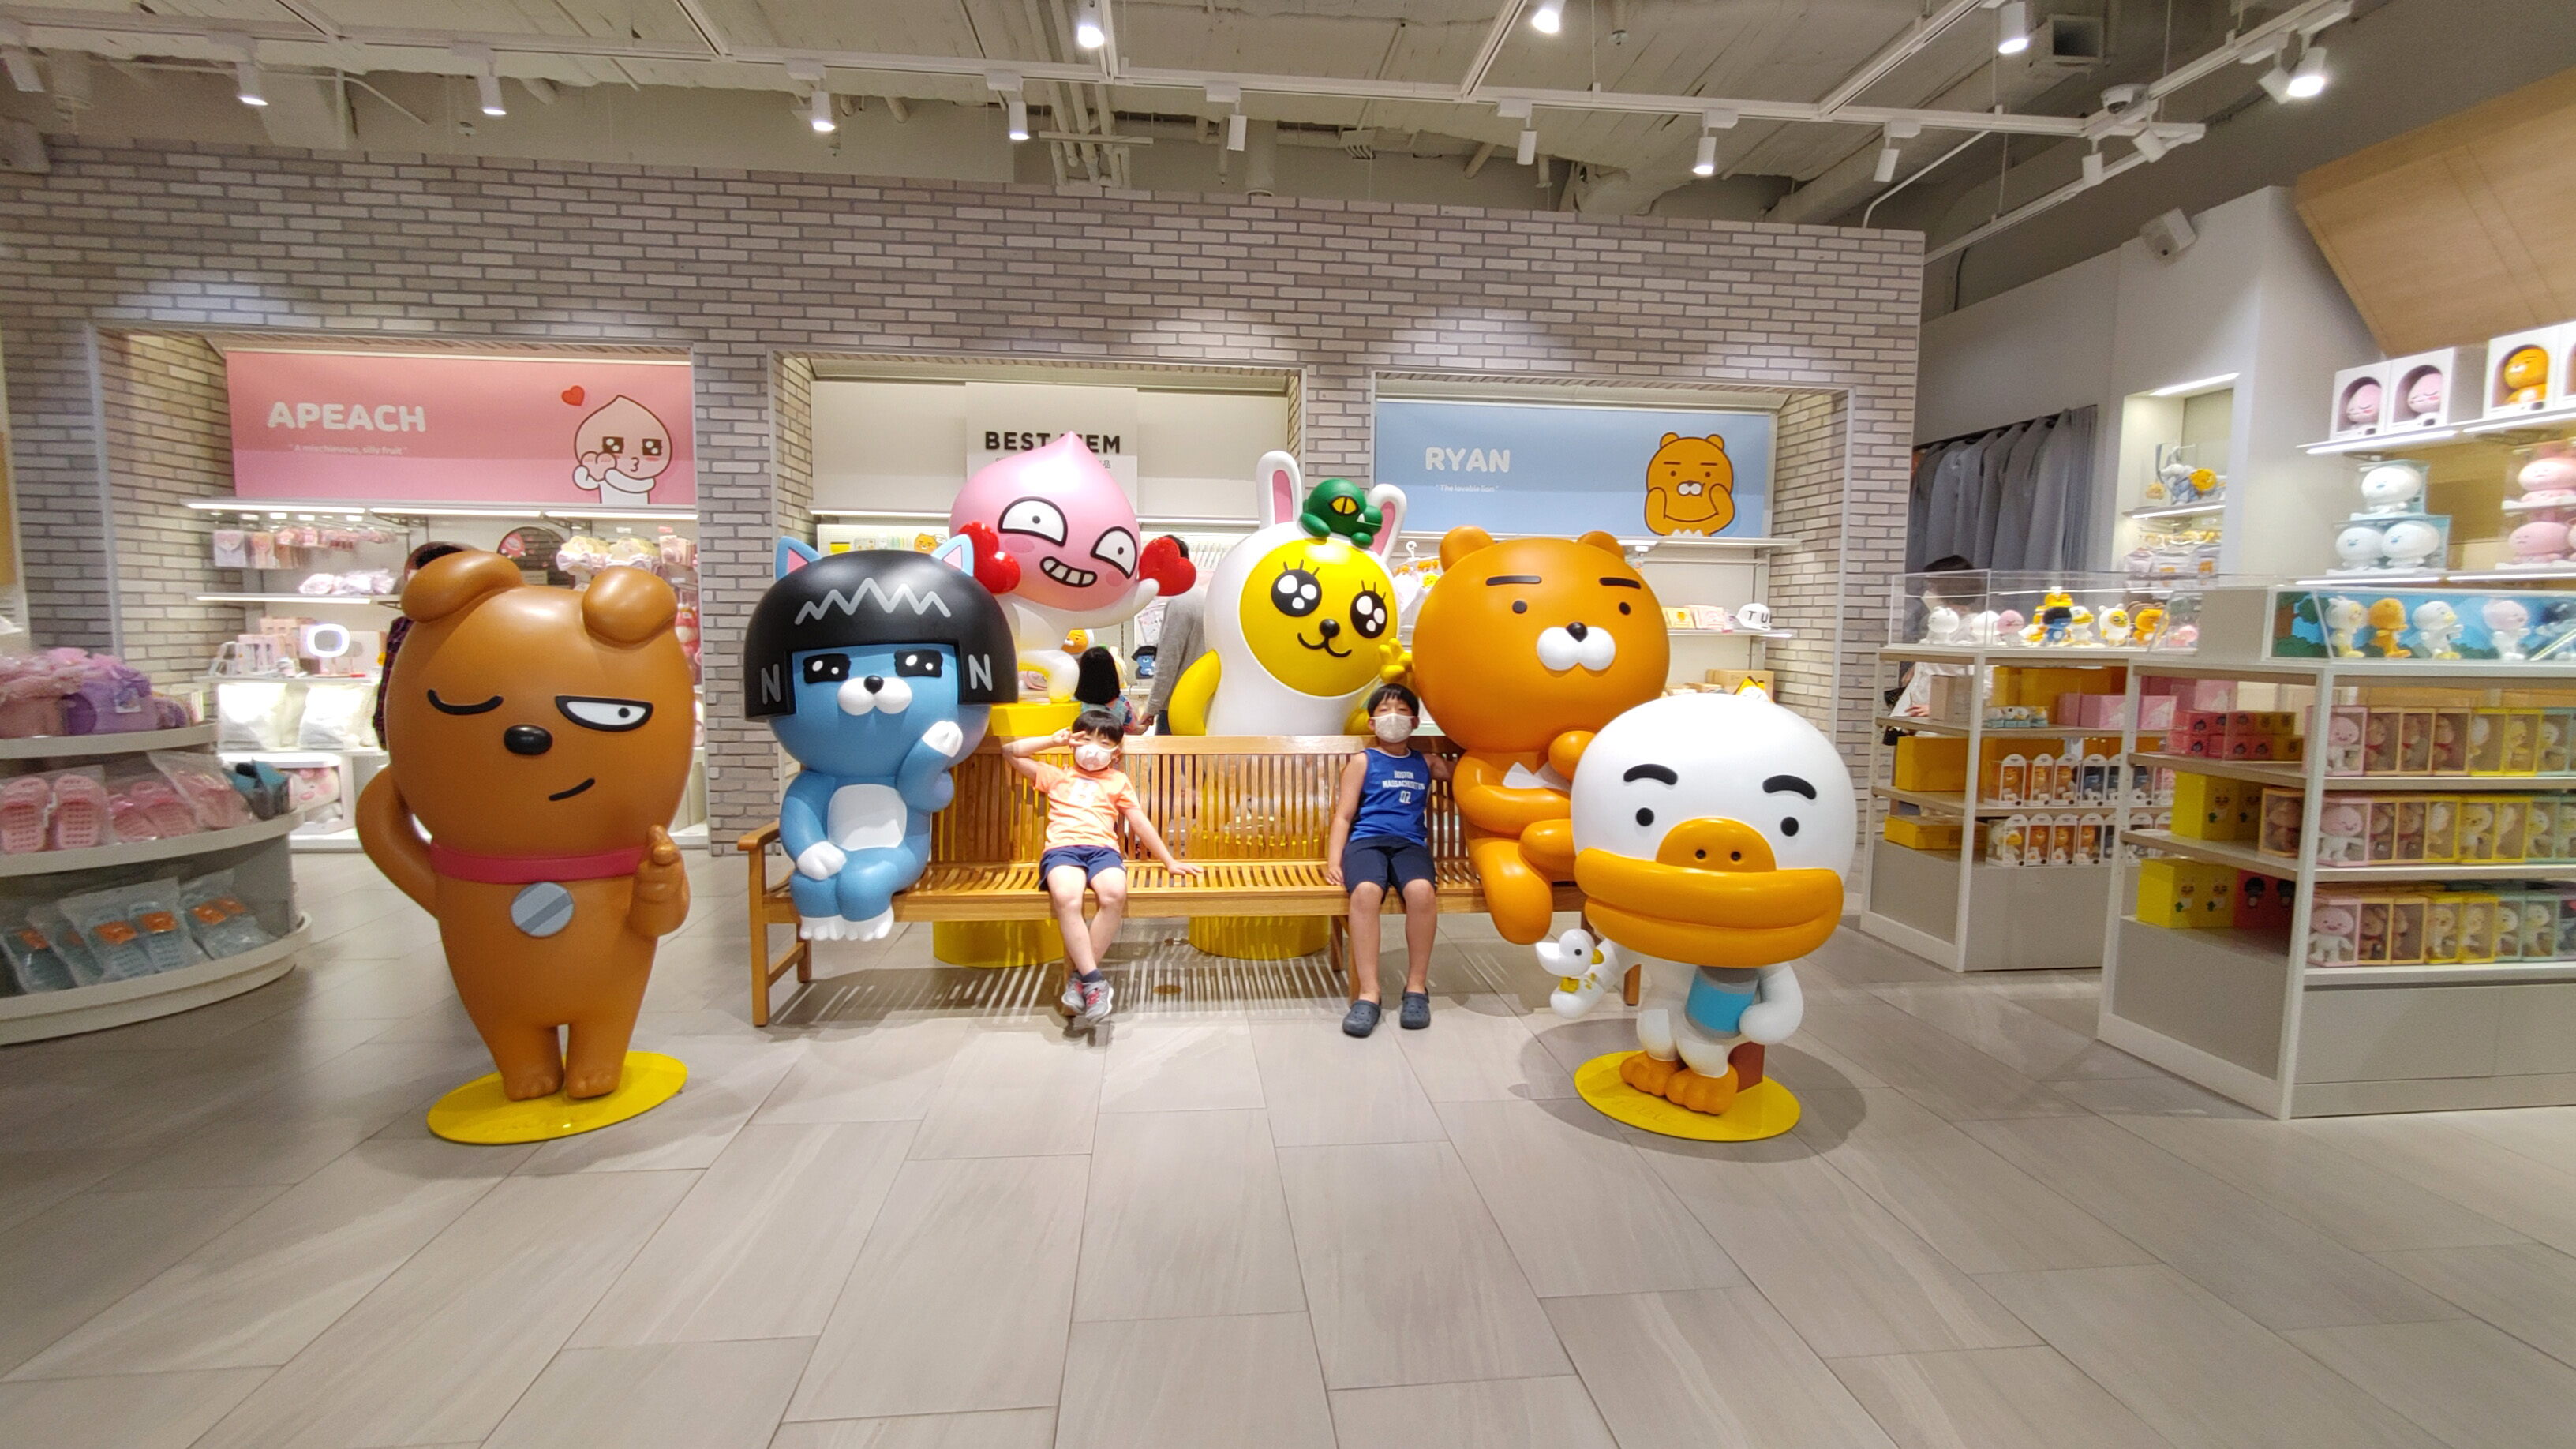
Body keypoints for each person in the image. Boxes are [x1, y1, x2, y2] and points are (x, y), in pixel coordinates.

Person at [1002, 710, 1200, 1024]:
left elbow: (1138, 821)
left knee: (1113, 894)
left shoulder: (1118, 781)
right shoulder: (1057, 776)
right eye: (1086, 740)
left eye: (1104, 743)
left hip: (1103, 851)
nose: (1093, 749)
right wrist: (1053, 741)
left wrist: (1169, 860)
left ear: (1116, 752)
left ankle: (1080, 981)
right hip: (1063, 851)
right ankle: (1094, 980)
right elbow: (1010, 752)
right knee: (1067, 898)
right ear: (1073, 743)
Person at [1325, 683, 1454, 1036]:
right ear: (1372, 723)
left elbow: (1471, 775)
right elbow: (1343, 816)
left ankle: (1416, 988)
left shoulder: (1425, 762)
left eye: (1401, 711)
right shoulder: (1363, 761)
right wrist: (1333, 860)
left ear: (1414, 722)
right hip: (1367, 842)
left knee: (1422, 892)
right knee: (1366, 892)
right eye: (1384, 711)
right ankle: (1368, 994)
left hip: (1410, 844)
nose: (1392, 717)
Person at [372, 541, 467, 743]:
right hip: (461, 730)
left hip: (420, 731)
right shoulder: (405, 627)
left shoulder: (405, 626)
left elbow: (390, 685)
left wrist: (384, 729)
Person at [1144, 561, 1205, 734]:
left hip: (1174, 704)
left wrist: (1151, 708)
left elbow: (1168, 660)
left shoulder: (1179, 602)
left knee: (1170, 751)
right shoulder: (1204, 597)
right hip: (1200, 699)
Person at [1072, 645, 1138, 733]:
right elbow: (1133, 730)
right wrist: (1146, 724)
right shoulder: (1122, 704)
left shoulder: (1072, 703)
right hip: (1112, 742)